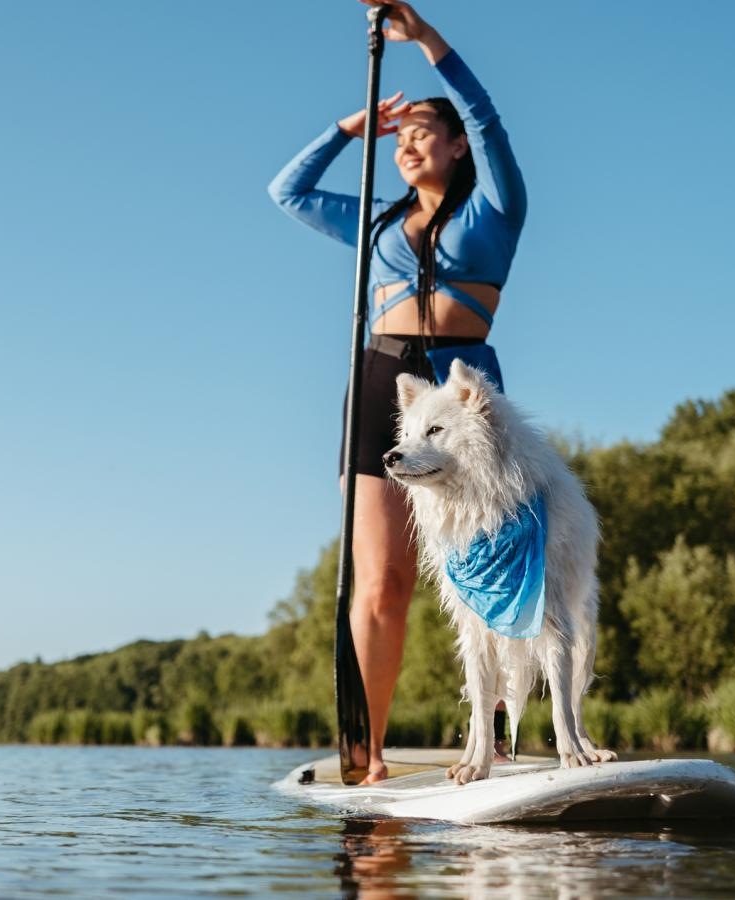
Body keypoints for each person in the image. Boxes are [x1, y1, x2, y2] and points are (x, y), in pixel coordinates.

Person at [266, 0, 527, 784]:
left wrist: (427, 42)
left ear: (455, 148)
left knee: (486, 568)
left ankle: (498, 737)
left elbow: (488, 119)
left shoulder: (495, 212)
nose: (411, 143)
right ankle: (369, 752)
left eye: (425, 133)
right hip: (383, 381)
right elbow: (288, 190)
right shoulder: (376, 229)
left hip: (463, 391)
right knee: (383, 579)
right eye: (402, 137)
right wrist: (351, 131)